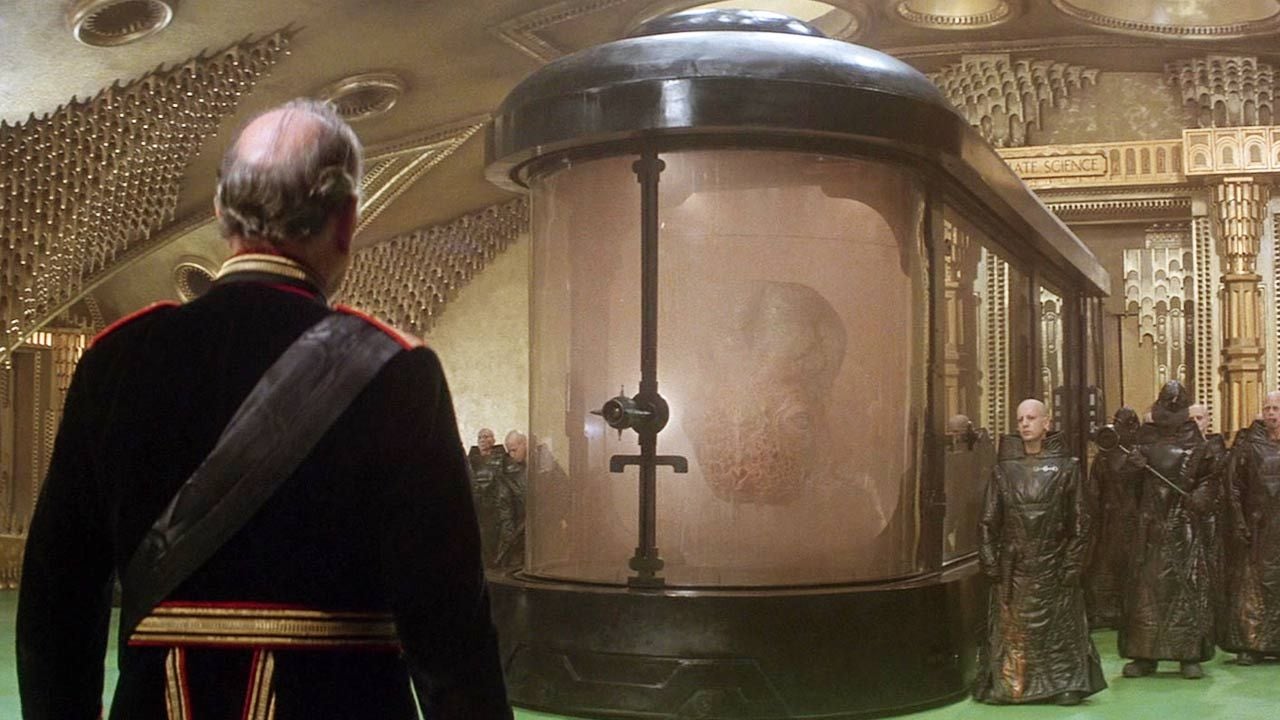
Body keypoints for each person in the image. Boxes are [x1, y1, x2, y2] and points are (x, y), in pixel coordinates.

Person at [16, 99, 511, 719]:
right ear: (346, 219)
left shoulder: (116, 360)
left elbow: (56, 608)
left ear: (221, 211)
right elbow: (450, 627)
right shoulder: (394, 370)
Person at [974, 399, 1106, 705]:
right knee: (1014, 627)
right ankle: (1011, 685)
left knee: (1060, 627)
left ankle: (1065, 683)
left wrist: (1072, 563)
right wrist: (990, 560)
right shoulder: (1004, 471)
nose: (1024, 423)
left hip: (1054, 563)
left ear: (1047, 423)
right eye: (1020, 418)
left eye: (1031, 418)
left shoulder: (1067, 467)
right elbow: (988, 520)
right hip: (1015, 567)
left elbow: (1081, 521)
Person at [1118, 380, 1218, 679]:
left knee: (1185, 589)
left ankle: (1188, 654)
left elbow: (1210, 479)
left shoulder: (1197, 444)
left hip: (1183, 524)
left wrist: (1201, 496)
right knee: (1145, 591)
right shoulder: (1144, 440)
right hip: (1149, 526)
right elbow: (1125, 483)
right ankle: (1143, 655)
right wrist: (1133, 466)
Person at [1219, 390, 1280, 664]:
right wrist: (1239, 520)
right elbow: (1233, 486)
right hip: (1258, 528)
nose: (1271, 413)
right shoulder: (1249, 448)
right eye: (1267, 408)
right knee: (1252, 587)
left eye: (1276, 408)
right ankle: (1251, 644)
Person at [1084, 406, 1141, 628]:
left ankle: (1128, 610)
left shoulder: (1139, 454)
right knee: (1107, 565)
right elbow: (1093, 491)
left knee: (1132, 566)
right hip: (1110, 519)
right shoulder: (1104, 457)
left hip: (1133, 518)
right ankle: (1106, 611)